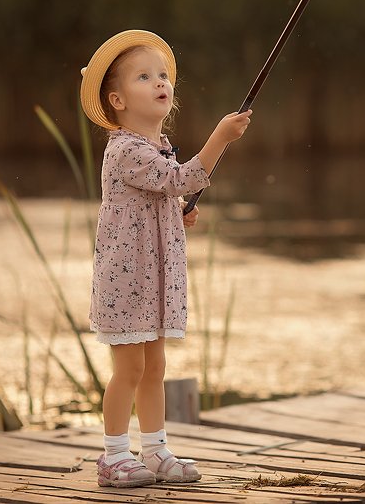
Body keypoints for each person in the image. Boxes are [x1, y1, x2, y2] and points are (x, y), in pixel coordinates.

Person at [78, 30, 252, 488]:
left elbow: (162, 192)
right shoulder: (125, 148)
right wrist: (220, 138)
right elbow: (180, 178)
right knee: (129, 369)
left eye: (162, 75)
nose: (159, 82)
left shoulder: (157, 148)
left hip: (153, 281)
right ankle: (114, 455)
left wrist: (176, 213)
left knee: (155, 367)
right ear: (117, 100)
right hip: (127, 279)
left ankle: (154, 449)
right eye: (143, 76)